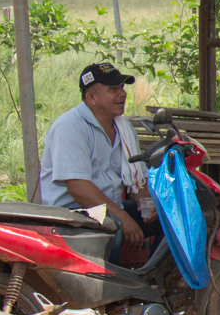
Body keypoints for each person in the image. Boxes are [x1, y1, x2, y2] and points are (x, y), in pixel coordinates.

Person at [37, 62, 158, 253]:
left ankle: (157, 278)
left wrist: (148, 205)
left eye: (122, 87)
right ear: (91, 98)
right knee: (114, 228)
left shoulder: (123, 128)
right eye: (113, 89)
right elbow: (79, 188)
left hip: (108, 208)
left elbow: (137, 180)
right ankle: (109, 281)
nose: (122, 94)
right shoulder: (69, 127)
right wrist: (123, 218)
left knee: (168, 220)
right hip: (73, 215)